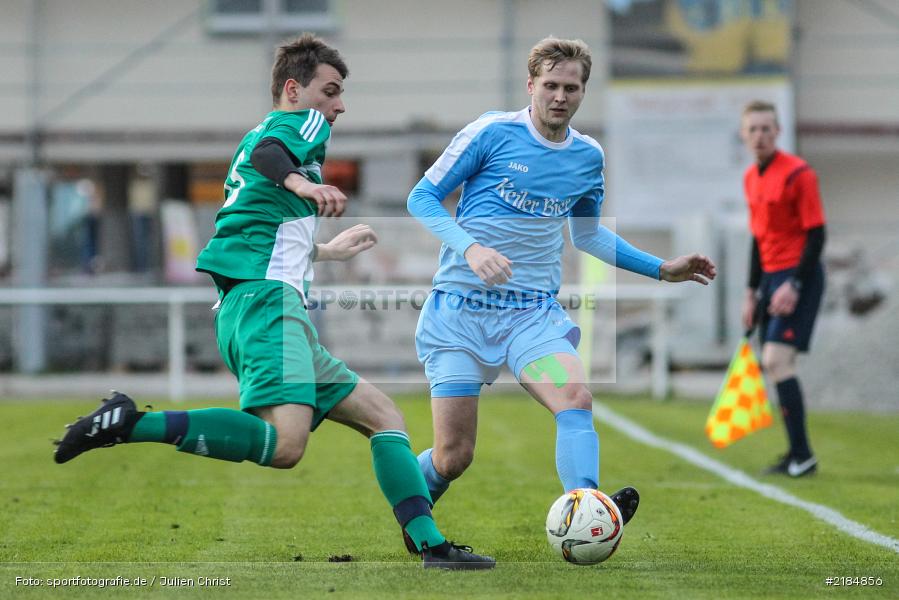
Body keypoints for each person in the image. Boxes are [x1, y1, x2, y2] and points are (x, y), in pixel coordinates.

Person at [53, 34, 494, 570]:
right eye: (330, 91)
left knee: (383, 415)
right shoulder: (293, 127)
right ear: (293, 88)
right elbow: (270, 158)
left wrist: (324, 250)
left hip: (269, 302)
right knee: (286, 447)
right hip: (266, 306)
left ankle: (430, 544)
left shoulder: (271, 139)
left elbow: (260, 228)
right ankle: (129, 423)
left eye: (339, 95)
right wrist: (304, 186)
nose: (339, 105)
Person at [405, 36, 717, 549]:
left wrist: (661, 268)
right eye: (550, 85)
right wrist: (470, 248)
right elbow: (423, 197)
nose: (559, 96)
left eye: (570, 88)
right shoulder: (490, 132)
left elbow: (588, 233)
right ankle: (411, 505)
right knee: (453, 455)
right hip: (461, 313)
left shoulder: (588, 156)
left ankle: (588, 509)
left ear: (582, 92)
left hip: (531, 316)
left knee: (575, 396)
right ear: (531, 85)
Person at [739, 100, 826, 478]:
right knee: (774, 365)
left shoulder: (799, 174)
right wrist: (750, 292)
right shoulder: (750, 178)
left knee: (777, 360)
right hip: (771, 278)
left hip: (798, 276)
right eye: (753, 129)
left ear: (778, 132)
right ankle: (797, 454)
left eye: (766, 128)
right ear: (744, 135)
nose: (759, 135)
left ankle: (802, 454)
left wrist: (794, 284)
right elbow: (758, 240)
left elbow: (817, 234)